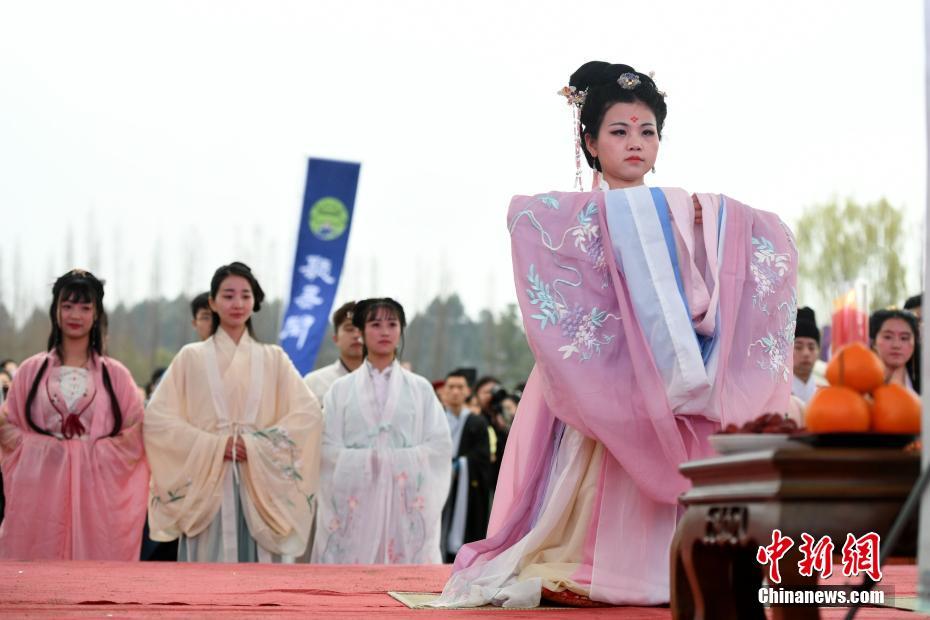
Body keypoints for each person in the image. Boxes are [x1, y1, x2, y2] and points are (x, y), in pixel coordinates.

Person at [433, 62, 797, 608]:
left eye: (647, 131)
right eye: (620, 132)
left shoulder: (686, 213)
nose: (636, 143)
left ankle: (669, 566)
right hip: (598, 369)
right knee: (599, 465)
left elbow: (724, 278)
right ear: (590, 142)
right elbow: (529, 221)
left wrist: (715, 222)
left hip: (671, 365)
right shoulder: (575, 215)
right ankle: (602, 566)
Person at [144, 262, 323, 562]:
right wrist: (216, 445)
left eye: (245, 295)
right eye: (228, 296)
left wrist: (257, 444)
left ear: (255, 302)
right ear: (212, 302)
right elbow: (158, 419)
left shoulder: (274, 359)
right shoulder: (190, 357)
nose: (237, 303)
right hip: (206, 486)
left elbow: (308, 414)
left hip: (261, 483)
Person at [0, 269, 149, 559]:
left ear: (97, 314)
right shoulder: (30, 372)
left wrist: (83, 453)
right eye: (67, 306)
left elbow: (135, 436)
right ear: (55, 310)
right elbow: (8, 429)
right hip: (39, 496)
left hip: (97, 501)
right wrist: (42, 450)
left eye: (85, 307)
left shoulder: (116, 376)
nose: (75, 314)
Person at [311, 298, 452, 564]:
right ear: (361, 332)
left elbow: (439, 447)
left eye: (392, 324)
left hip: (404, 502)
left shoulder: (420, 388)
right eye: (375, 324)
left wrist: (393, 461)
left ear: (401, 331)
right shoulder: (340, 390)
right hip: (356, 504)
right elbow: (326, 448)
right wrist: (368, 461)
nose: (384, 332)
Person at [441, 370, 491, 562]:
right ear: (444, 391)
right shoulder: (437, 418)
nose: (455, 392)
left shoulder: (477, 422)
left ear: (468, 391)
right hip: (439, 480)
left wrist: (460, 465)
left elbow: (482, 456)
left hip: (466, 484)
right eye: (451, 387)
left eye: (460, 387)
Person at [303, 301, 363, 405]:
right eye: (349, 329)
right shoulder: (314, 382)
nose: (357, 335)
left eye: (363, 329)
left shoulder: (389, 382)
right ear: (336, 339)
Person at [870, 308, 920, 393]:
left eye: (904, 338)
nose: (896, 345)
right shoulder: (861, 380)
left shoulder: (924, 382)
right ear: (874, 342)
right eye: (888, 337)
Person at [791, 307, 826, 405]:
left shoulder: (826, 390)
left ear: (818, 351)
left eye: (811, 347)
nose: (806, 353)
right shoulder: (777, 394)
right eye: (798, 347)